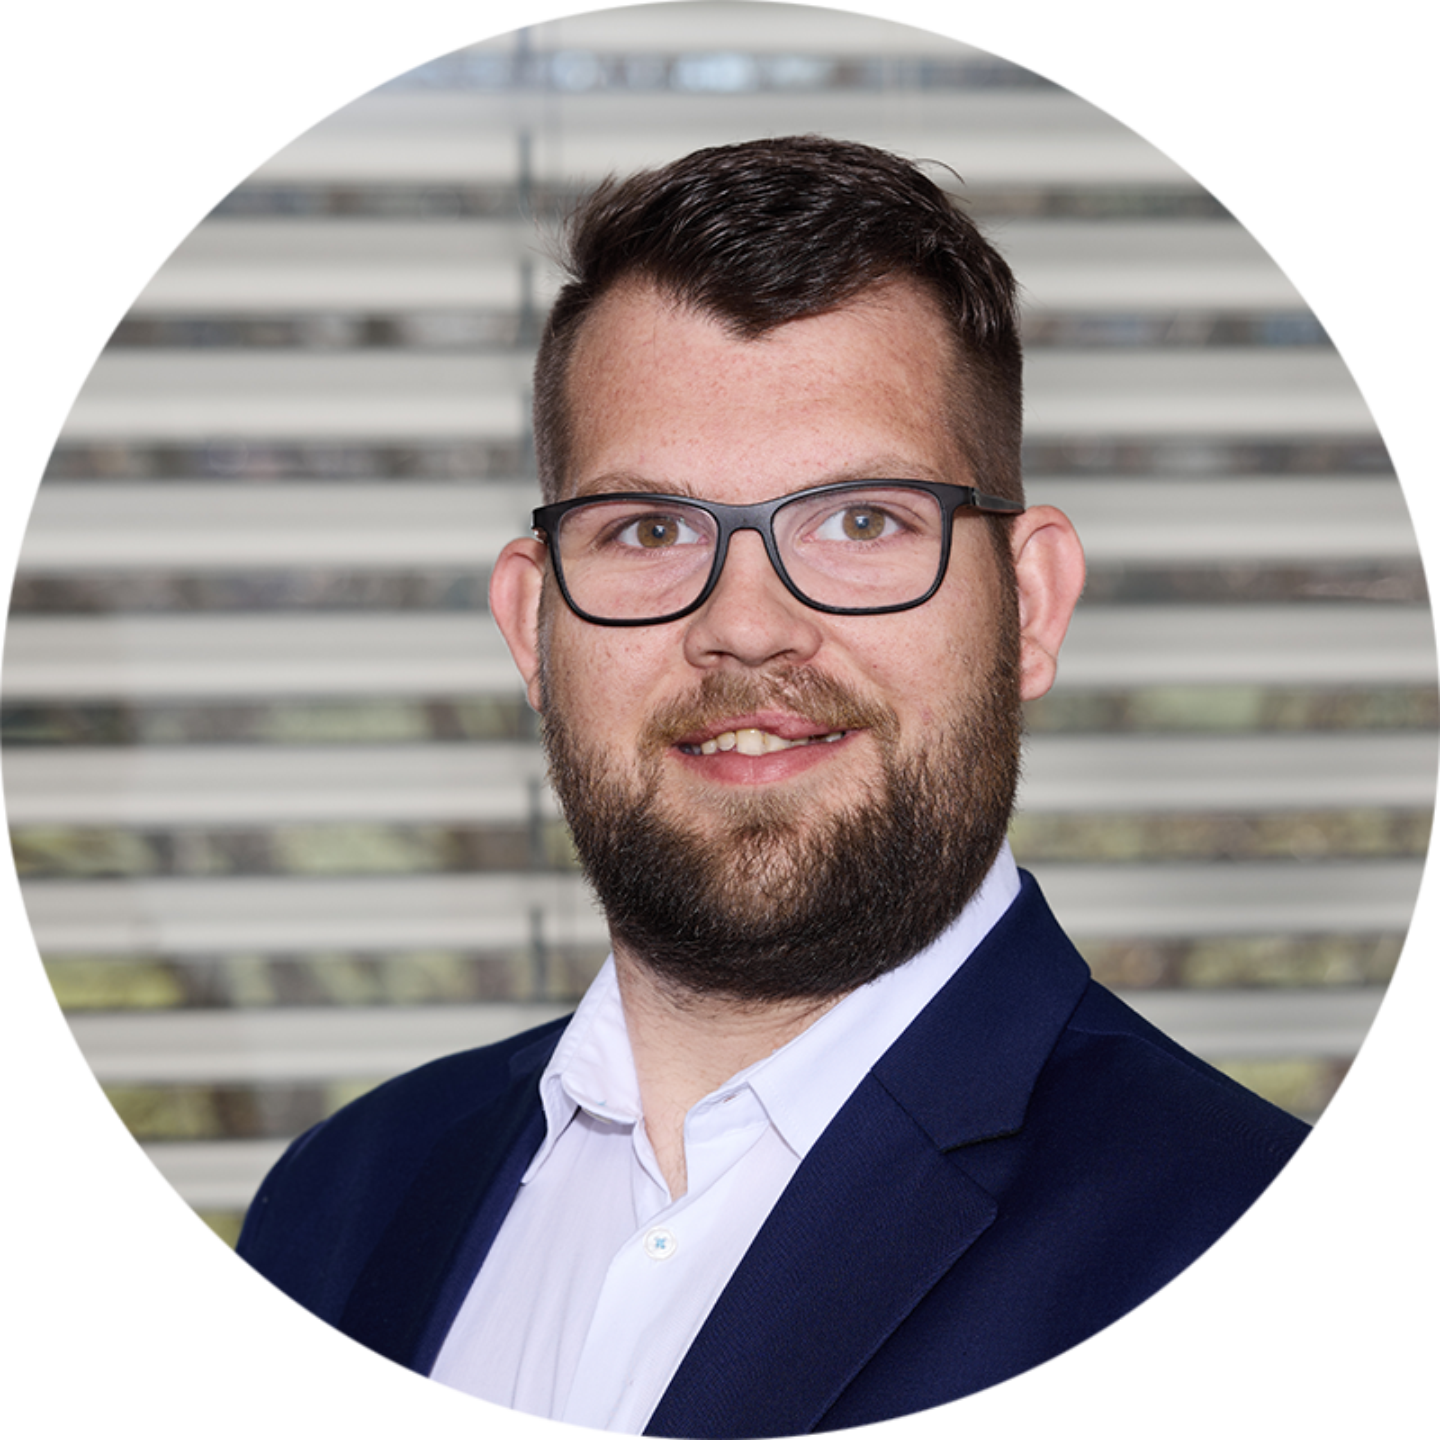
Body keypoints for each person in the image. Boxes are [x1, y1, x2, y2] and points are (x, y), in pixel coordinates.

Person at [235, 135, 1312, 1431]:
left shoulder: (1215, 1219)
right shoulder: (336, 1205)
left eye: (862, 521)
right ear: (532, 627)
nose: (746, 626)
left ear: (1029, 605)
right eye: (649, 529)